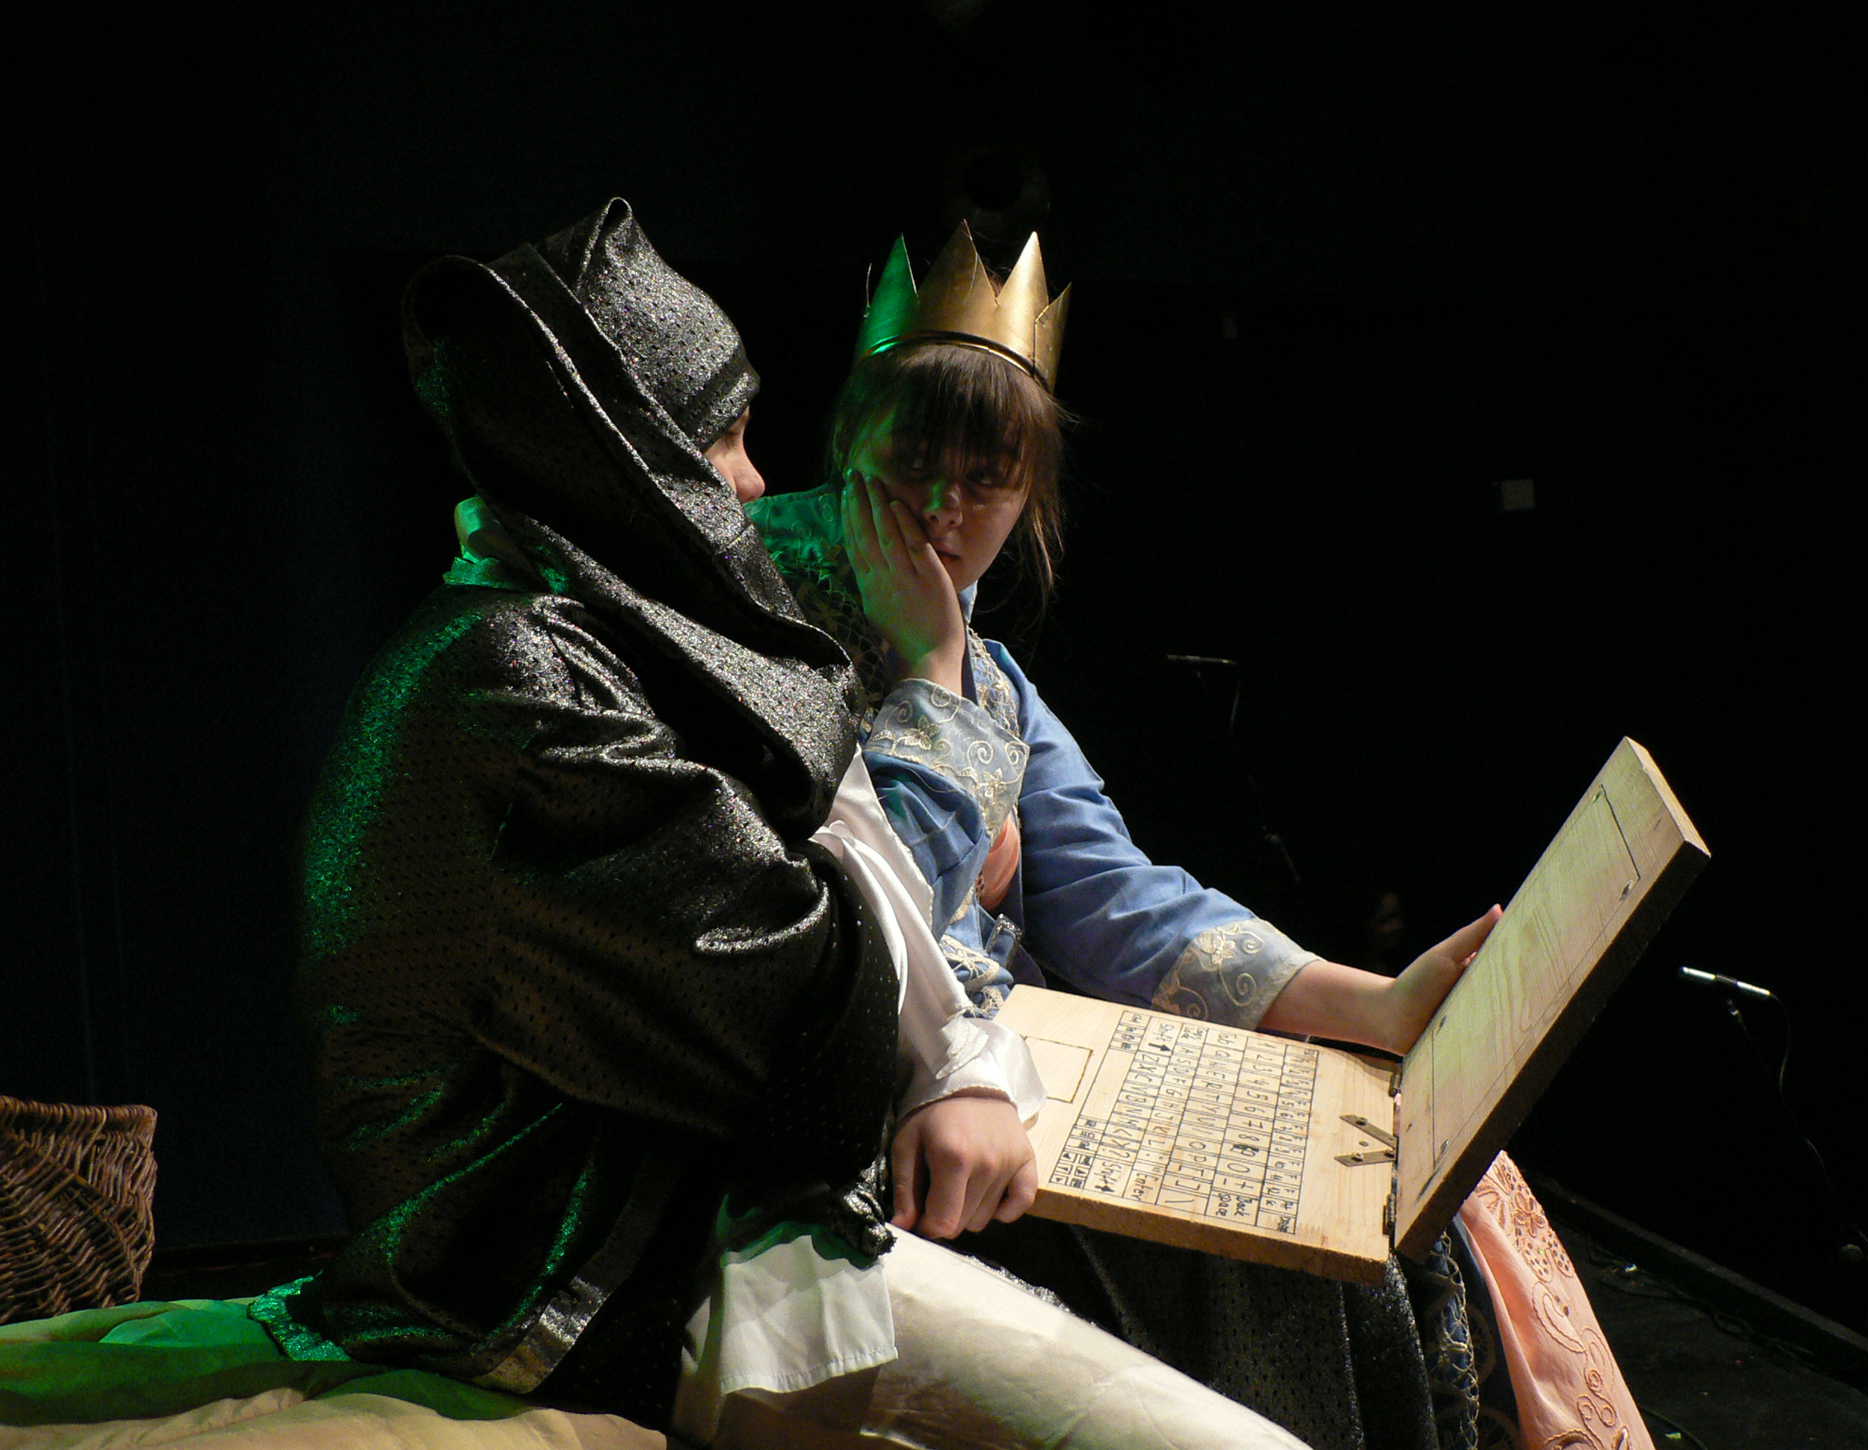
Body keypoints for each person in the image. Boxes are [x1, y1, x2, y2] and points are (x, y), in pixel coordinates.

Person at [258, 198, 1307, 1450]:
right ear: (626, 459)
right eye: (724, 442)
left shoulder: (611, 631)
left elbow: (1029, 888)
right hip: (587, 1264)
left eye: (989, 476)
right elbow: (804, 987)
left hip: (723, 1188)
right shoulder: (524, 679)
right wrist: (939, 755)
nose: (756, 484)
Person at [751, 225, 1655, 1450]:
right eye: (916, 464)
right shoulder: (758, 629)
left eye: (988, 479)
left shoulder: (986, 671)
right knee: (1278, 1279)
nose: (946, 510)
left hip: (1027, 1083)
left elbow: (1114, 892)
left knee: (1399, 1206)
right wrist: (922, 673)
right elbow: (856, 915)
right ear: (851, 442)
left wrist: (1374, 1002)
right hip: (872, 1112)